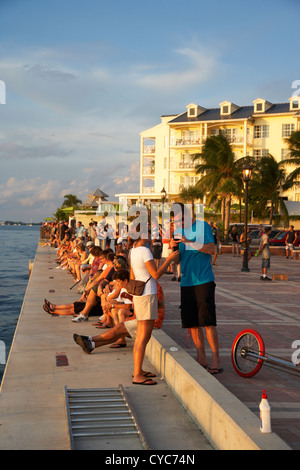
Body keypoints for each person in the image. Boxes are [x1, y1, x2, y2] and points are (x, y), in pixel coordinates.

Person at [170, 207, 222, 375]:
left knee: (207, 322)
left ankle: (215, 360)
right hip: (186, 281)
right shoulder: (179, 231)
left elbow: (211, 249)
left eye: (180, 220)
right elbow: (180, 259)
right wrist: (174, 251)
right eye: (176, 221)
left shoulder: (203, 226)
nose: (178, 224)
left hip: (203, 281)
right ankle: (201, 358)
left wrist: (187, 241)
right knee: (192, 323)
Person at [129, 227, 179, 385]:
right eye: (149, 232)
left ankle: (138, 370)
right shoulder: (145, 251)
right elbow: (156, 274)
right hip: (147, 294)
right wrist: (169, 259)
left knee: (141, 336)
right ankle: (137, 374)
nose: (152, 235)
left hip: (139, 295)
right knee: (143, 336)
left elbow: (132, 276)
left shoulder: (133, 250)